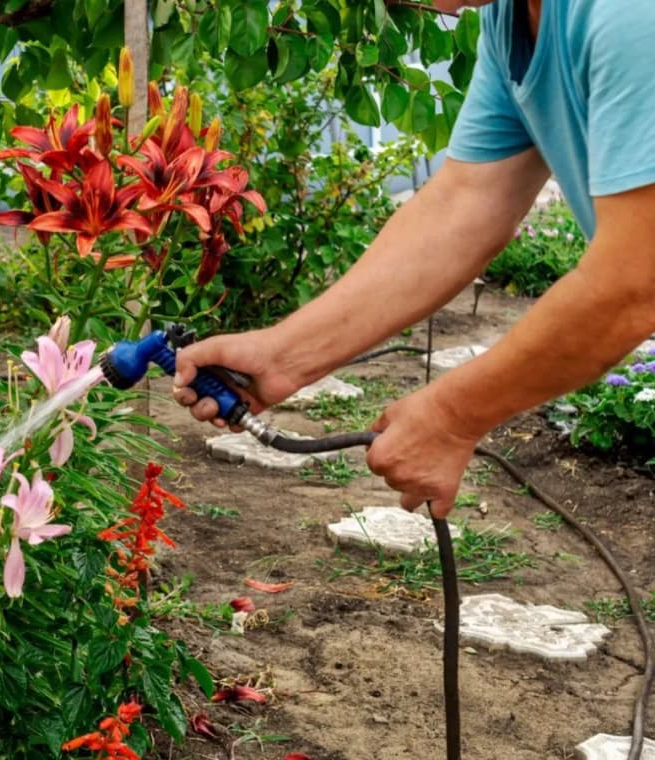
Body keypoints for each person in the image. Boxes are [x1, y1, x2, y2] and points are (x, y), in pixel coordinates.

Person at [173, 0, 655, 517]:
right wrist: (284, 355)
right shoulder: (513, 19)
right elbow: (465, 207)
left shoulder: (627, 15)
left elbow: (634, 279)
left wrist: (452, 415)